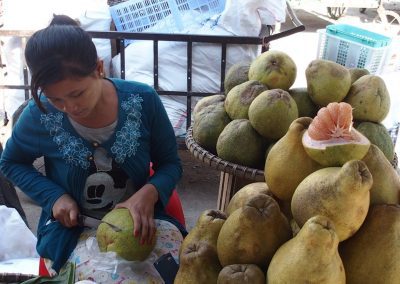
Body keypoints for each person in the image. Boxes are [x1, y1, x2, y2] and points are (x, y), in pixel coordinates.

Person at [0, 14, 186, 278]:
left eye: (77, 94)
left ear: (99, 69)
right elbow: (10, 162)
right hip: (75, 232)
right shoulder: (39, 114)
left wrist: (149, 193)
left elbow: (171, 165)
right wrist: (54, 197)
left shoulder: (143, 101)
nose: (70, 107)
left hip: (142, 225)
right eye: (56, 99)